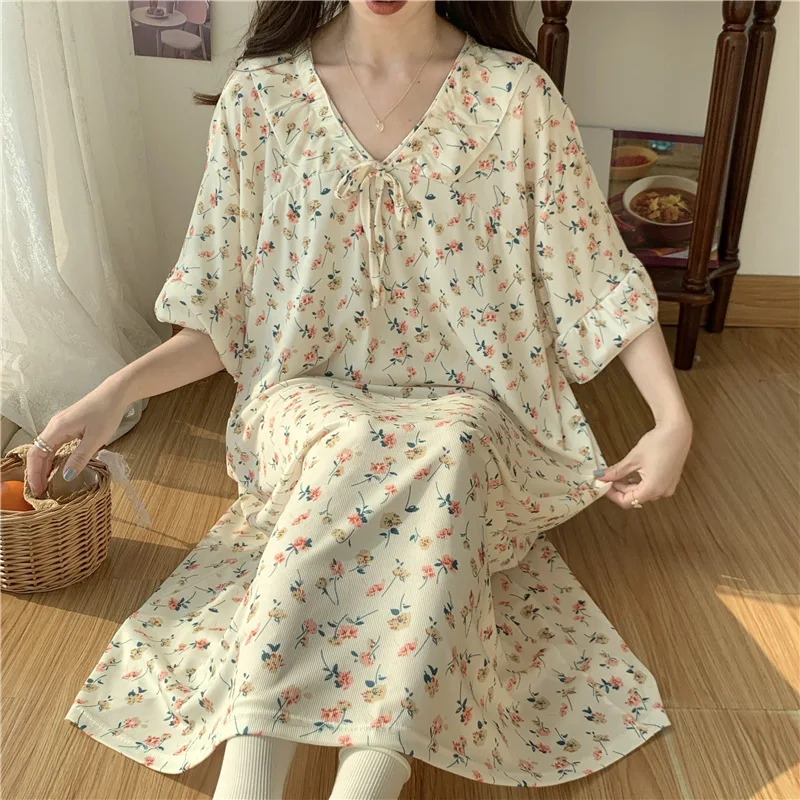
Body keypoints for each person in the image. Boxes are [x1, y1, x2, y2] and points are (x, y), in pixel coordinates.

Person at [31, 1, 693, 798]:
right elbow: (218, 314)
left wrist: (671, 418)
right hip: (306, 408)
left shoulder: (515, 97)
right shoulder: (261, 98)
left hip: (468, 415)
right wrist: (115, 391)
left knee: (446, 443)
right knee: (350, 438)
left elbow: (593, 275)